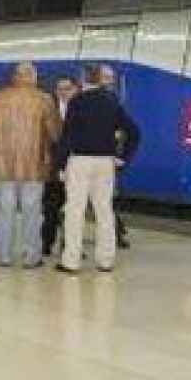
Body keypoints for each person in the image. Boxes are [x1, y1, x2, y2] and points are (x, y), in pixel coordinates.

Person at [56, 64, 140, 274]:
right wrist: (123, 157)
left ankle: (71, 261)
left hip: (80, 162)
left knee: (75, 211)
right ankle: (105, 260)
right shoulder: (112, 102)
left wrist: (61, 164)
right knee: (104, 211)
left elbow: (67, 136)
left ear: (84, 80)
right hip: (105, 163)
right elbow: (134, 132)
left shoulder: (77, 101)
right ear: (100, 79)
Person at [0, 62, 61, 268]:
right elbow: (55, 134)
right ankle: (31, 256)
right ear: (32, 77)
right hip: (34, 166)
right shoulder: (44, 100)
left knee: (4, 211)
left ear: (14, 76)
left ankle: (4, 255)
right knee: (32, 212)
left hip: (3, 166)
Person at [41, 77, 78, 255]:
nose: (63, 92)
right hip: (54, 167)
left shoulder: (81, 109)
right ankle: (47, 242)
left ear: (75, 90)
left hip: (76, 166)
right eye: (59, 88)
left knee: (73, 209)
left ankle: (69, 245)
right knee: (51, 208)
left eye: (67, 88)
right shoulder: (48, 110)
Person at [97, 64, 132, 249]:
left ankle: (116, 234)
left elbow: (128, 131)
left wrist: (122, 156)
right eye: (106, 77)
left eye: (111, 78)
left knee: (105, 202)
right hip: (89, 161)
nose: (109, 82)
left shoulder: (113, 100)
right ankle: (116, 234)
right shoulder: (87, 99)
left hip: (105, 160)